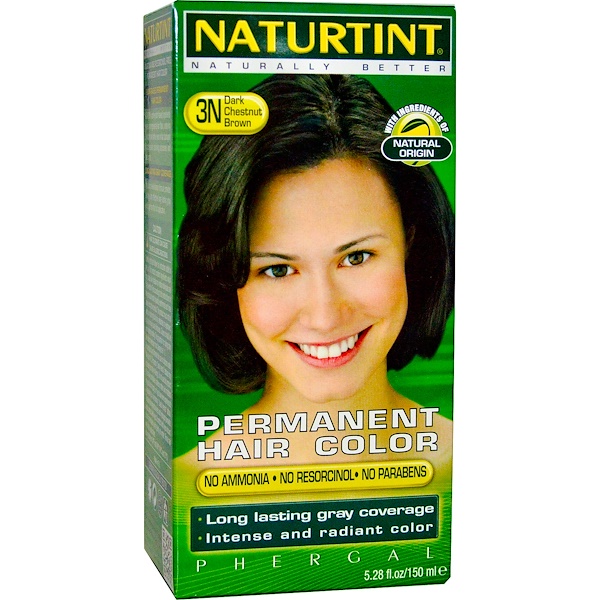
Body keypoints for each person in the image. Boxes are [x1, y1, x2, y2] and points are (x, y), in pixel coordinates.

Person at [176, 74, 453, 477]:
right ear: (221, 275)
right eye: (277, 270)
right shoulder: (190, 491)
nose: (325, 317)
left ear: (411, 244)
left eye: (356, 257)